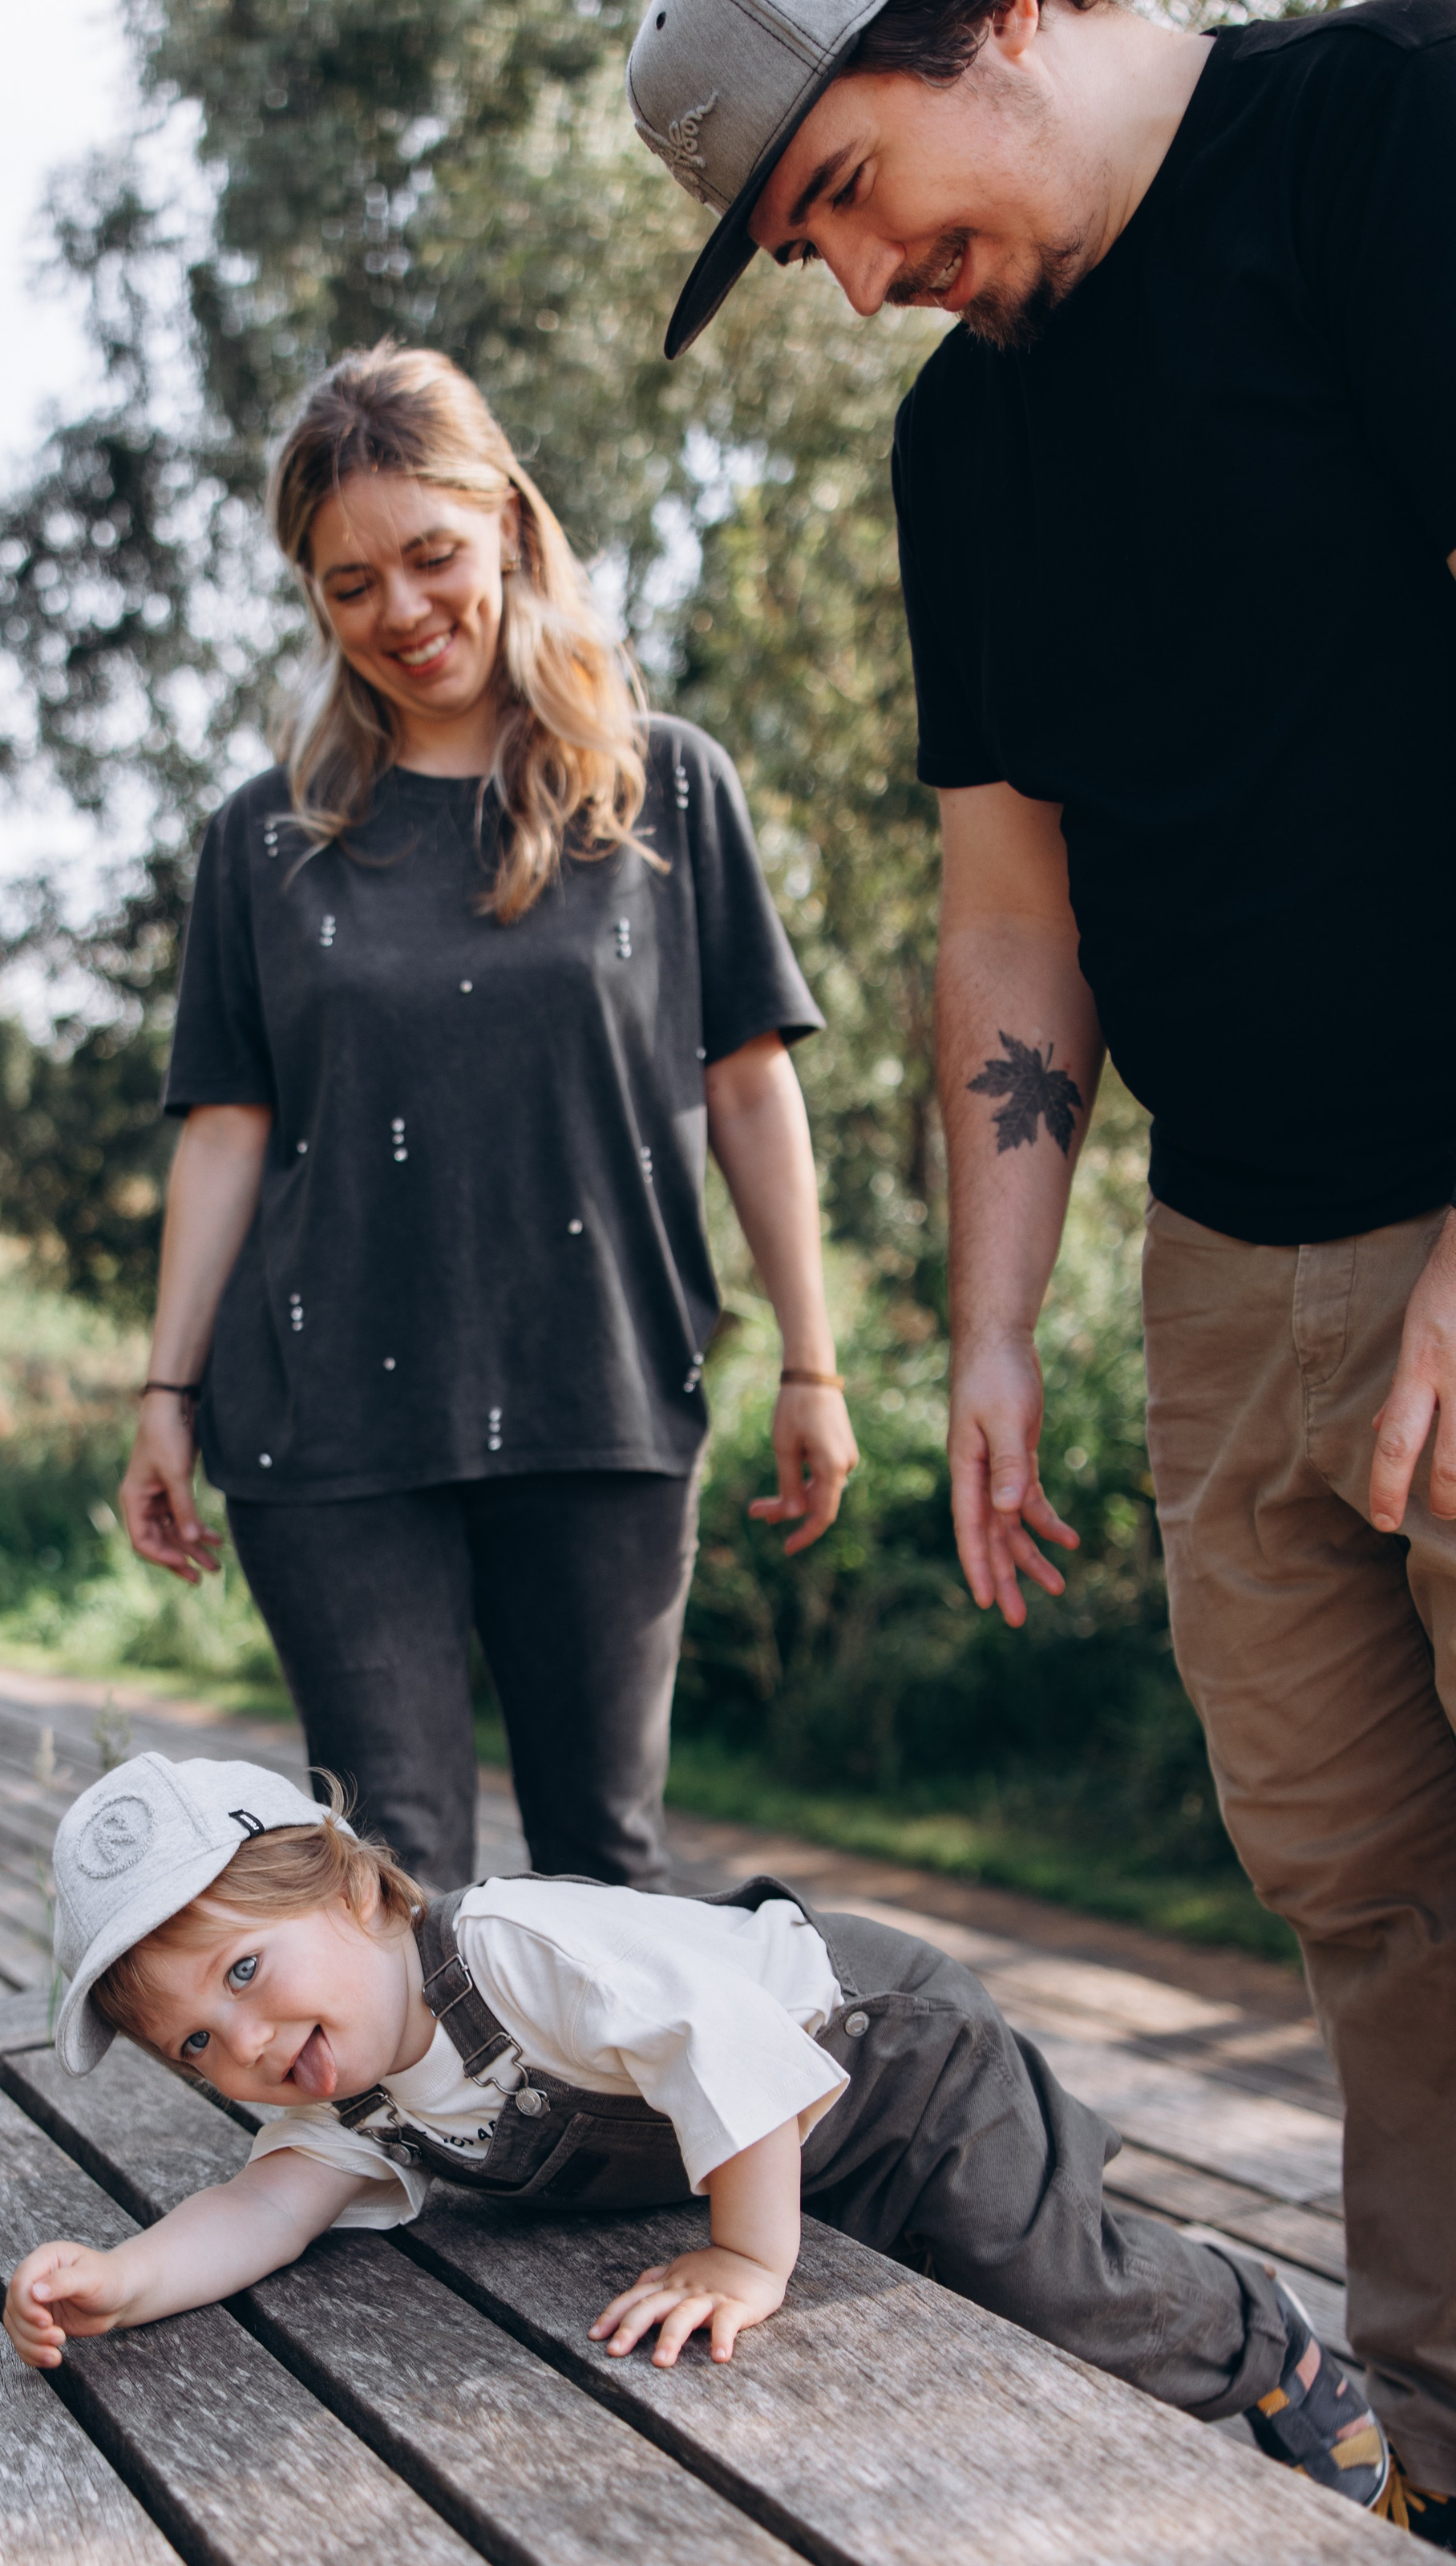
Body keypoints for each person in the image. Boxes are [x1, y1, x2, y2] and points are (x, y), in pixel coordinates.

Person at [622, 0, 1456, 2536]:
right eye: (807, 251)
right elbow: (1010, 905)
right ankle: (1439, 2454)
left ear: (983, 20)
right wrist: (994, 1322)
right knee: (1367, 1902)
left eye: (848, 194)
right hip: (1228, 1257)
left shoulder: (1382, 133)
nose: (864, 281)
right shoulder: (961, 448)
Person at [119, 344, 858, 1894]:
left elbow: (749, 1083)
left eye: (432, 555)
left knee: (609, 1871)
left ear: (509, 527)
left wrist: (813, 1360)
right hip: (328, 1417)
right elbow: (227, 1129)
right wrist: (165, 1394)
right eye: (349, 584)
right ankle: (424, 2081)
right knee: (391, 1879)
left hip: (602, 1384)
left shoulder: (665, 791)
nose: (401, 609)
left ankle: (610, 2082)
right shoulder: (263, 840)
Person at [2, 1753, 1385, 2508]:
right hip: (781, 2146)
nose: (245, 2043)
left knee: (1048, 2287)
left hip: (885, 2057)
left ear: (360, 1892)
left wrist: (748, 2260)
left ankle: (1265, 2342)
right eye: (195, 2044)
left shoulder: (516, 1950)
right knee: (922, 2320)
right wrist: (125, 2280)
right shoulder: (343, 2088)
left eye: (247, 1972)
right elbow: (263, 2208)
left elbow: (725, 2037)